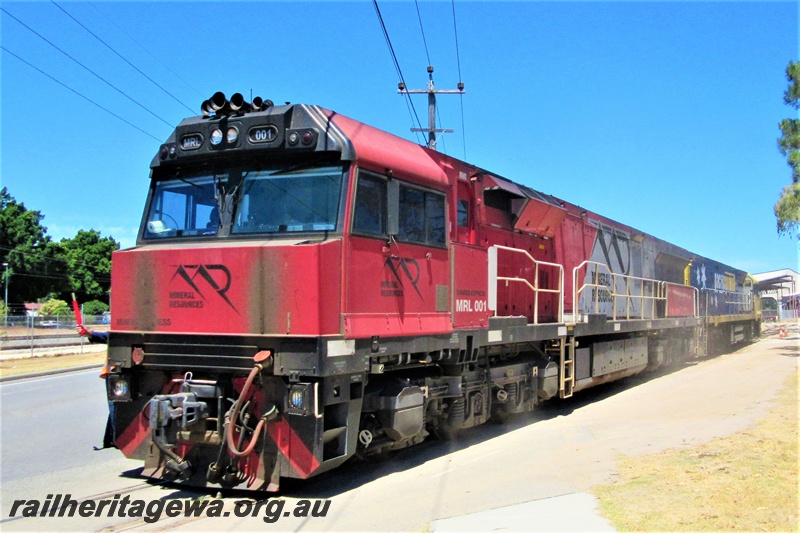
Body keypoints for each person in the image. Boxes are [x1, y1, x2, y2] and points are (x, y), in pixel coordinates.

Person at [77, 325, 115, 449]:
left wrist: (90, 334)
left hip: (118, 371)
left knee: (117, 406)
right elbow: (110, 336)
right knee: (117, 406)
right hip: (116, 370)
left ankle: (114, 436)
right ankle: (115, 436)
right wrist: (90, 334)